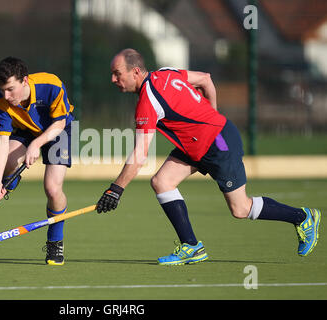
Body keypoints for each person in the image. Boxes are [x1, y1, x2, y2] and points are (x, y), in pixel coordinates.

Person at [96, 48, 321, 265]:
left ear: (135, 72)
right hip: (196, 144)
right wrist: (211, 114)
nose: (113, 79)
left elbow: (140, 154)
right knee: (162, 182)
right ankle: (191, 246)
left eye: (117, 73)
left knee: (240, 209)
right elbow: (205, 78)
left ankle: (302, 217)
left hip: (218, 143)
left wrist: (116, 189)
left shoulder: (147, 102)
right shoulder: (165, 72)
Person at [0, 56, 74, 265]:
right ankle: (9, 183)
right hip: (24, 130)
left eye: (10, 89)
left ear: (24, 80)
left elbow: (59, 123)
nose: (6, 95)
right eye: (2, 89)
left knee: (52, 189)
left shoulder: (50, 85)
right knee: (7, 162)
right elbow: (2, 141)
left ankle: (55, 242)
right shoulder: (0, 101)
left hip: (59, 130)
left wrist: (37, 144)